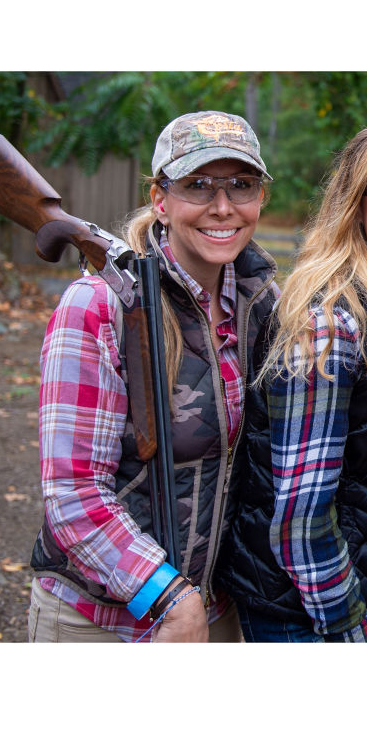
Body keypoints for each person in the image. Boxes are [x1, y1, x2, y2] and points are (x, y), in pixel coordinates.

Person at [27, 111, 278, 642]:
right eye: (197, 186)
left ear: (261, 199)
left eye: (241, 185)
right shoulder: (100, 305)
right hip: (102, 622)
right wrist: (169, 597)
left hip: (217, 614)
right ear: (160, 199)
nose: (222, 206)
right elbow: (73, 497)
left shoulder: (264, 305)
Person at [216, 122, 367, 641]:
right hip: (309, 620)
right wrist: (358, 636)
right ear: (355, 205)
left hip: (354, 601)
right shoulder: (327, 323)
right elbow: (302, 528)